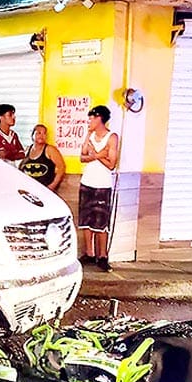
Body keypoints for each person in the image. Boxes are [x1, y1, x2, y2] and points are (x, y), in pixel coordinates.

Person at [78, 105, 119, 272]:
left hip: (102, 185)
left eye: (92, 118)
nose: (89, 121)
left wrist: (95, 155)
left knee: (101, 223)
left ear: (99, 118)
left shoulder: (112, 137)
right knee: (86, 221)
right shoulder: (89, 135)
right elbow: (82, 156)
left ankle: (102, 256)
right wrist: (99, 154)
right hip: (87, 182)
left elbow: (111, 164)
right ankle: (89, 252)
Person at [20, 124, 66, 192]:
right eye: (39, 133)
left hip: (45, 189)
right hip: (29, 190)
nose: (42, 135)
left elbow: (61, 167)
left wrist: (52, 186)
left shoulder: (50, 149)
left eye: (44, 133)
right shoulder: (27, 149)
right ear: (32, 135)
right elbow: (21, 168)